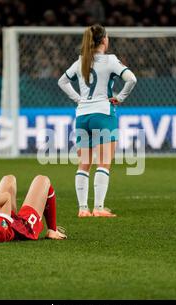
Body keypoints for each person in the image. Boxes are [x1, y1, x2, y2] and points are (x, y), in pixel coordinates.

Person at [58, 24, 137, 217]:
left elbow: (62, 81)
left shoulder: (80, 61)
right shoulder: (110, 60)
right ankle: (99, 208)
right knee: (104, 163)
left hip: (82, 115)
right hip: (103, 114)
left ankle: (83, 209)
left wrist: (78, 99)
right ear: (103, 40)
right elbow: (132, 79)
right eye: (107, 37)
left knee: (84, 163)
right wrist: (120, 98)